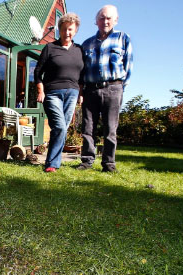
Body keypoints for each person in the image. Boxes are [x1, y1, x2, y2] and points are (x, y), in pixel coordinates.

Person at [77, 4, 133, 172]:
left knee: (110, 128)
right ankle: (86, 161)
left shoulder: (123, 38)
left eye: (109, 18)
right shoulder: (87, 44)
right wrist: (81, 90)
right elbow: (82, 70)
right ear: (96, 21)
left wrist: (122, 87)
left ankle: (109, 164)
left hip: (113, 88)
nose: (105, 21)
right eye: (102, 18)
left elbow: (128, 66)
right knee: (88, 127)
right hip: (91, 90)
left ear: (115, 20)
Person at [34, 13, 84, 173]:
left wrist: (81, 93)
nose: (67, 32)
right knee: (60, 127)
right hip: (53, 93)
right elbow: (37, 71)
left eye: (70, 29)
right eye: (63, 29)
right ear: (59, 30)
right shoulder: (50, 47)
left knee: (61, 128)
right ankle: (52, 164)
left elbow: (82, 75)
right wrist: (40, 90)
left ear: (75, 30)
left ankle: (54, 161)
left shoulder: (79, 50)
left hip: (73, 93)